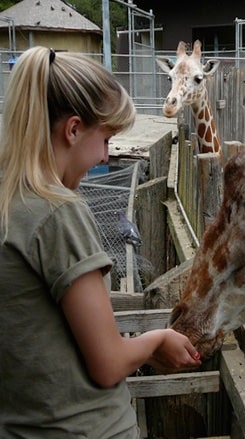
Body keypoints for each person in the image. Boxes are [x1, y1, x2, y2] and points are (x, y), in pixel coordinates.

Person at [0, 47, 202, 437]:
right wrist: (156, 338)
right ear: (73, 130)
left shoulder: (10, 205)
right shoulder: (57, 213)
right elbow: (108, 362)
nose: (106, 155)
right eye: (106, 138)